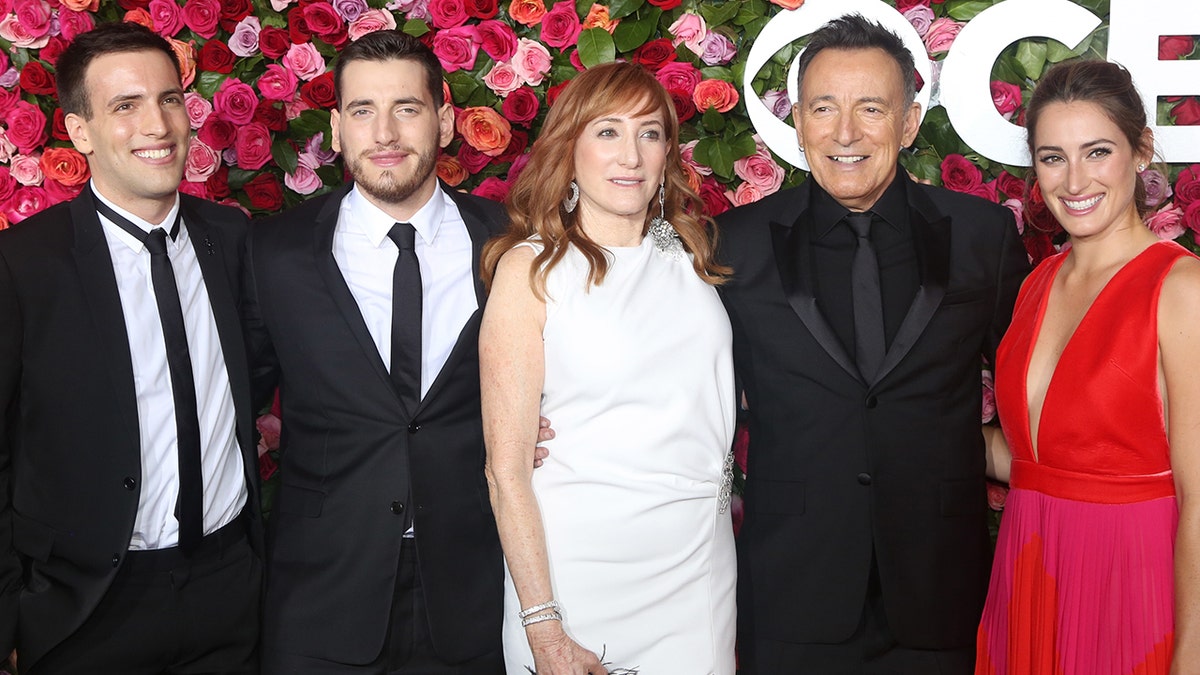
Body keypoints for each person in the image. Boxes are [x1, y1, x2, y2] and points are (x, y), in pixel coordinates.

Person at [716, 14, 1030, 674]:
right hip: (792, 593)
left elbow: (1035, 393)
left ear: (910, 123)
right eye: (824, 108)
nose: (846, 132)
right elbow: (679, 387)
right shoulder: (733, 245)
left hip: (939, 593)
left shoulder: (982, 237)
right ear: (798, 120)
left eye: (871, 108)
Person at [244, 29, 538, 673]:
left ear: (445, 120)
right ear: (337, 127)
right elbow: (231, 413)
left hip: (473, 597)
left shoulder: (512, 247)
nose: (384, 133)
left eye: (406, 108)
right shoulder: (276, 254)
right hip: (322, 600)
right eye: (361, 111)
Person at [0, 21, 262, 674]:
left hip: (231, 590)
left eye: (169, 98)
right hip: (85, 606)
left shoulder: (231, 239)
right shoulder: (21, 265)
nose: (159, 124)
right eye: (126, 105)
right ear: (79, 130)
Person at [480, 61, 737, 675]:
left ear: (667, 152)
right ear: (570, 148)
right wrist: (544, 628)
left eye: (649, 133)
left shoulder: (693, 261)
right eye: (607, 132)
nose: (630, 154)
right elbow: (506, 470)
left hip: (697, 571)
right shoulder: (531, 269)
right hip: (577, 579)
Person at [975, 59, 1200, 675]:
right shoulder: (1038, 283)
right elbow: (1035, 459)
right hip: (1030, 572)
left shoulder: (1182, 288)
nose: (1074, 179)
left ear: (1142, 149)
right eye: (1052, 157)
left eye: (1097, 151)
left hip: (1132, 590)